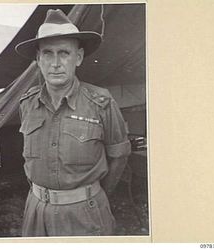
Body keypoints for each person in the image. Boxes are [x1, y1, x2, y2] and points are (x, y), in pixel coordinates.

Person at [15, 9, 131, 237]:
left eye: (64, 53)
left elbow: (119, 156)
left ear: (78, 58)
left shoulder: (101, 103)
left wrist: (92, 197)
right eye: (47, 54)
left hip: (84, 214)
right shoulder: (26, 103)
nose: (55, 63)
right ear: (38, 60)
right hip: (36, 212)